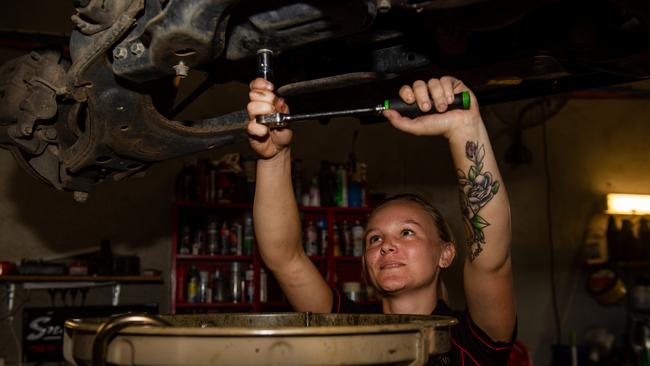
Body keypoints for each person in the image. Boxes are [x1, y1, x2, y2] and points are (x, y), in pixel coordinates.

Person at [246, 75, 516, 365]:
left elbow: (490, 259)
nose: (387, 246)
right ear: (365, 261)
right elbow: (284, 257)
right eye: (375, 238)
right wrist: (274, 158)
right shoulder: (347, 329)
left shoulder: (468, 340)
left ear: (445, 254)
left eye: (408, 233)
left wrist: (466, 129)